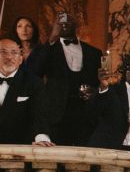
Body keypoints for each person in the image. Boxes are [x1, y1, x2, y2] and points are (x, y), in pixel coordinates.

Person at [28, 12, 103, 146]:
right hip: (56, 115)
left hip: (84, 116)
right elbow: (35, 71)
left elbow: (99, 82)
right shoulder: (47, 49)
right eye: (60, 22)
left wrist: (94, 91)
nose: (64, 24)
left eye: (68, 21)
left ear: (77, 24)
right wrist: (52, 38)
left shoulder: (94, 53)